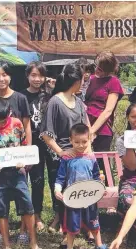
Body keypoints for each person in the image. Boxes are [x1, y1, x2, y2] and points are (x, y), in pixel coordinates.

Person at [0, 98, 49, 249]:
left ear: (9, 114)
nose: (0, 124)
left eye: (3, 121)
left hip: (18, 173)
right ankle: (7, 246)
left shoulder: (16, 123)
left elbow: (24, 144)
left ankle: (34, 244)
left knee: (27, 206)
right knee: (1, 210)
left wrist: (23, 161)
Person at [40, 63, 89, 233]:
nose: (84, 82)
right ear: (76, 81)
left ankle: (83, 225)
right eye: (83, 79)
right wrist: (61, 152)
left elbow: (87, 131)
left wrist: (89, 153)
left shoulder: (79, 102)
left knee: (80, 191)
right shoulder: (55, 101)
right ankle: (65, 227)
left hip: (81, 155)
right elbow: (46, 134)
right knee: (62, 195)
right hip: (62, 159)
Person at [54, 123, 109, 249]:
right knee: (71, 224)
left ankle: (99, 244)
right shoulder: (66, 159)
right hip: (73, 198)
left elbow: (96, 176)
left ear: (89, 139)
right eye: (77, 142)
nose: (80, 145)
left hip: (90, 197)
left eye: (84, 141)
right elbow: (60, 177)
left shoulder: (91, 158)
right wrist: (57, 188)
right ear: (70, 140)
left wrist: (101, 186)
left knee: (94, 222)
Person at [20, 61, 51, 232]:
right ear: (27, 76)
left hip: (45, 141)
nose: (37, 79)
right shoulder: (20, 96)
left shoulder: (48, 96)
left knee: (39, 180)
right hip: (27, 143)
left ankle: (37, 214)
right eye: (33, 75)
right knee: (24, 180)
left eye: (40, 75)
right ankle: (25, 215)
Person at [85, 51, 124, 176]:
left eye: (101, 69)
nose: (97, 70)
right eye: (96, 66)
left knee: (102, 166)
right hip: (84, 124)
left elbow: (108, 110)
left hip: (102, 129)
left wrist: (92, 131)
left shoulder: (114, 82)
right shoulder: (89, 79)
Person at [0, 61, 31, 143]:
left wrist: (29, 147)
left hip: (16, 146)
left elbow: (27, 126)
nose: (1, 79)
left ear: (10, 77)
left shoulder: (21, 98)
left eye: (4, 75)